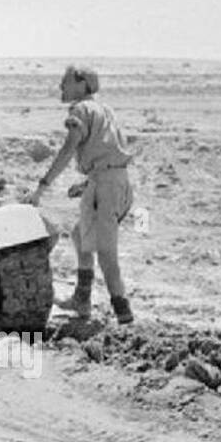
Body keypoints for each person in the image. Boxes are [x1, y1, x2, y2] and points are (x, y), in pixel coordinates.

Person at [26, 65, 134, 324]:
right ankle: (82, 299)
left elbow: (67, 149)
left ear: (82, 83)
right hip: (116, 183)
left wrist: (43, 185)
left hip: (105, 187)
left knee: (107, 253)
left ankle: (123, 313)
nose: (61, 87)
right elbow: (111, 154)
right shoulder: (104, 110)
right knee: (79, 234)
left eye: (65, 82)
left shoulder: (80, 111)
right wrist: (88, 185)